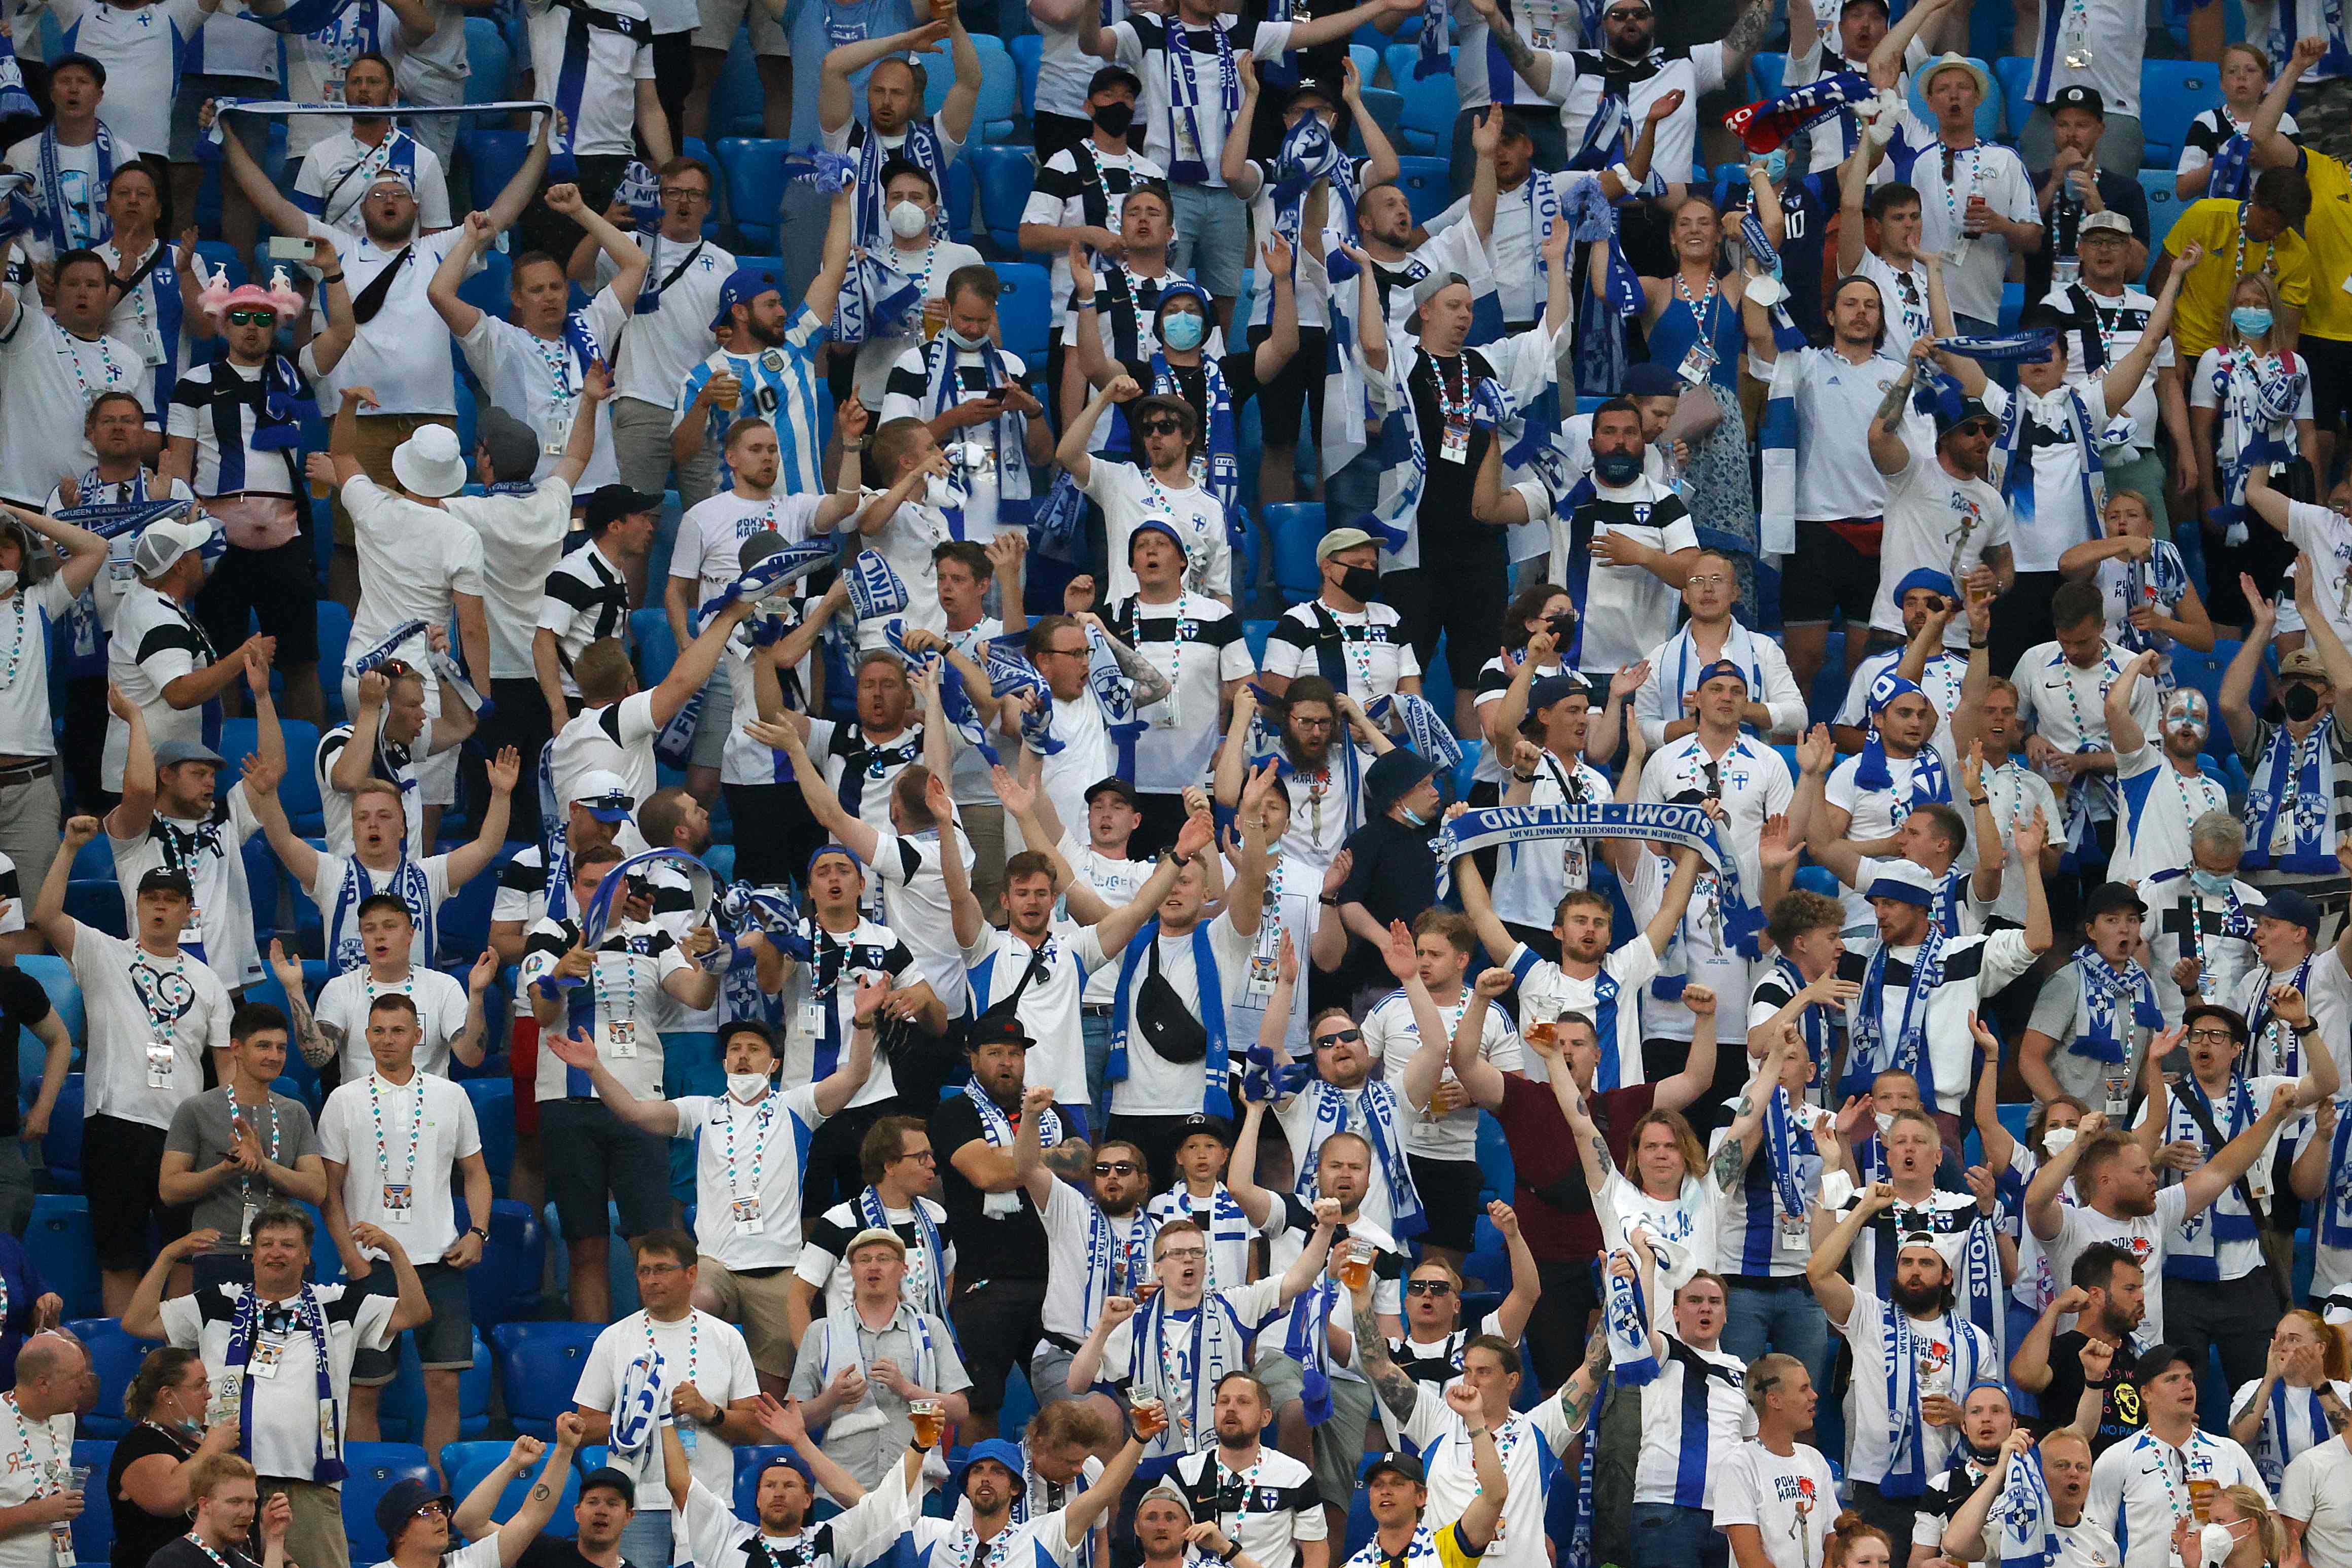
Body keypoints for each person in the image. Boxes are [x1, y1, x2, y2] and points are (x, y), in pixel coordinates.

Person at [209, 103, 552, 609]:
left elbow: (506, 210)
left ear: (417, 207)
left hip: (429, 420)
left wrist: (543, 142)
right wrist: (227, 138)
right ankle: (355, 643)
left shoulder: (442, 249)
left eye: (399, 194)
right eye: (378, 194)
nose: (389, 200)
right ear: (361, 207)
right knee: (352, 544)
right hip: (356, 422)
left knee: (435, 537)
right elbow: (272, 210)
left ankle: (431, 637)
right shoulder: (335, 247)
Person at [547, 1012, 877, 1398]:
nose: (742, 1056)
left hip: (780, 1269)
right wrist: (594, 1068)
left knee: (769, 1394)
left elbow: (855, 1075)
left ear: (775, 1064)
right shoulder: (702, 1110)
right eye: (735, 1049)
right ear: (723, 1063)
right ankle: (687, 1402)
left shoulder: (797, 1106)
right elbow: (635, 1112)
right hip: (715, 1265)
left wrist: (865, 1023)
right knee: (693, 1298)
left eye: (754, 1049)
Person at [127, 1202, 424, 1568]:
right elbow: (138, 1321)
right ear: (252, 1253)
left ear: (307, 1255)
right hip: (229, 1483)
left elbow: (415, 1313)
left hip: (310, 1484)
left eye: (288, 1245)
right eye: (267, 1244)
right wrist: (170, 1256)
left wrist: (395, 1252)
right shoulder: (221, 1301)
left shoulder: (338, 1303)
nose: (276, 1253)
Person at [35, 811, 235, 1317]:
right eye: (151, 899)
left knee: (187, 1251)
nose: (160, 909)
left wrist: (230, 1128)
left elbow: (226, 1068)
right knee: (120, 1255)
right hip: (116, 1124)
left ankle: (177, 1363)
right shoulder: (105, 955)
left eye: (171, 901)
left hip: (184, 1134)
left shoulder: (208, 982)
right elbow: (47, 915)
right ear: (137, 904)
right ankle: (124, 1363)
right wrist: (69, 849)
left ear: (190, 911)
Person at [519, 846, 724, 1318]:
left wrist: (712, 964)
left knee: (652, 1244)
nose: (601, 893)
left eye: (612, 884)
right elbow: (543, 1012)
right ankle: (598, 1357)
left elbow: (695, 996)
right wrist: (559, 977)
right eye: (591, 884)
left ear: (627, 889)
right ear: (575, 889)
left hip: (640, 1105)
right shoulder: (551, 935)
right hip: (568, 1103)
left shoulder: (651, 937)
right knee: (585, 1244)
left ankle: (659, 1350)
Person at [167, 255, 352, 735]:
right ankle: (225, 764)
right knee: (222, 658)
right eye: (241, 317)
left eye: (263, 318)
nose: (252, 327)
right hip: (217, 544)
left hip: (285, 541)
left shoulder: (295, 371)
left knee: (300, 658)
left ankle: (310, 765)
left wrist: (331, 273)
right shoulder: (194, 384)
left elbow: (344, 333)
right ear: (222, 324)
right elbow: (180, 467)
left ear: (277, 324)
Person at [315, 991, 492, 1465]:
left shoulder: (450, 1095)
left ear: (418, 1036)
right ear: (365, 1036)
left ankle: (436, 1493)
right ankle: (369, 1499)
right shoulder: (343, 1099)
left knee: (444, 1385)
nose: (387, 1040)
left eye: (398, 1031)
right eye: (377, 1031)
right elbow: (327, 1191)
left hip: (440, 1261)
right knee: (364, 1389)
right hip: (370, 1266)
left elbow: (476, 1172)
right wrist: (350, 1258)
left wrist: (478, 1232)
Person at [1353, 1270, 1606, 1568]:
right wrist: (1359, 1295)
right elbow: (1377, 1363)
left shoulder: (1538, 1428)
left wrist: (1614, 1294)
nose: (1472, 1380)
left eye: (1484, 1372)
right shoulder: (1436, 1421)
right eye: (1468, 1370)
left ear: (1512, 1381)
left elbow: (1593, 1368)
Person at [1807, 1182, 2001, 1543]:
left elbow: (1993, 1416)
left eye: (1926, 1263)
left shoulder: (1975, 1339)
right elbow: (1818, 1272)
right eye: (1906, 1263)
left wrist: (1962, 1416)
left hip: (1951, 1483)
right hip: (1877, 1484)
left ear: (1947, 1276)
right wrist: (1863, 1210)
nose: (1914, 1271)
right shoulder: (1868, 1316)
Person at [2028, 1097, 2298, 1345]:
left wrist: (2273, 1118)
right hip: (2085, 1372)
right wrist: (2078, 1145)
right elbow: (2035, 1202)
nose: (2153, 1178)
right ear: (2105, 1180)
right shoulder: (2068, 1226)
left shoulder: (2156, 1213)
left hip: (2147, 1373)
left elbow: (2223, 1170)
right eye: (2140, 1172)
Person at [569, 1228, 764, 1568]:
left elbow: (753, 1428)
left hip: (709, 1501)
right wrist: (635, 1418)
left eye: (661, 1269)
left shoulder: (726, 1338)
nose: (651, 1280)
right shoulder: (614, 1339)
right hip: (637, 1505)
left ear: (691, 1275)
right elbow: (583, 1428)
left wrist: (710, 1412)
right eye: (644, 1271)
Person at [670, 198, 854, 498]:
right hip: (741, 518)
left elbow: (833, 271)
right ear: (740, 313)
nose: (782, 312)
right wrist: (703, 402)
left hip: (806, 511)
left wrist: (841, 201)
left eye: (780, 302)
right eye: (770, 305)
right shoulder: (702, 378)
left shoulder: (797, 341)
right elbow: (680, 454)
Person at [593, 157, 737, 515]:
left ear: (707, 205)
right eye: (672, 192)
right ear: (657, 199)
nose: (682, 202)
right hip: (642, 398)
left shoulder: (725, 263)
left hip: (702, 406)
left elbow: (737, 333)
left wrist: (728, 333)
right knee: (632, 527)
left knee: (715, 524)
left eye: (693, 194)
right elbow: (576, 271)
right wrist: (604, 222)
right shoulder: (628, 247)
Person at [788, 1227, 973, 1488]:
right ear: (852, 1271)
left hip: (916, 1485)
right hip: (839, 1486)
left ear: (902, 1270)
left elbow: (959, 1410)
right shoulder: (821, 1332)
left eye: (884, 1259)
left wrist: (906, 1388)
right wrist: (833, 1398)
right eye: (864, 1260)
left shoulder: (929, 1329)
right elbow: (794, 1418)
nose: (873, 1266)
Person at [2043, 216, 2191, 540]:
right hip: (2076, 450)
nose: (2104, 250)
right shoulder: (2054, 306)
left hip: (2139, 453)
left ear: (2130, 253)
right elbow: (2043, 380)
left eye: (2115, 242)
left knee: (2152, 553)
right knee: (2083, 550)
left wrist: (2186, 451)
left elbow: (2168, 386)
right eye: (2095, 242)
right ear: (2080, 250)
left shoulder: (2152, 308)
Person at [159, 1003, 329, 1285]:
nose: (274, 1056)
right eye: (263, 1046)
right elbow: (169, 1189)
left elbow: (317, 1189)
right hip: (218, 1253)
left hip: (281, 1256)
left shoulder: (295, 1112)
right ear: (236, 1048)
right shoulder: (196, 1109)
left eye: (281, 1048)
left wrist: (264, 1165)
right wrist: (224, 1171)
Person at [660, 1393, 923, 1568]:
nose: (778, 1493)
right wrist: (662, 1417)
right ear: (757, 1498)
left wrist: (920, 1446)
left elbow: (885, 1501)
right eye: (770, 1485)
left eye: (790, 1486)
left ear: (808, 1499)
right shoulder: (728, 1536)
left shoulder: (829, 1539)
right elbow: (680, 1485)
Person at [2188, 273, 2315, 629]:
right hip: (2230, 485)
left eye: (2260, 305)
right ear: (2231, 311)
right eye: (2243, 304)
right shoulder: (2215, 360)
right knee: (2229, 589)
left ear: (2274, 311)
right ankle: (2232, 674)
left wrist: (2312, 504)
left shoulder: (2295, 365)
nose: (2252, 311)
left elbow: (2306, 433)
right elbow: (2201, 431)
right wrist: (2208, 494)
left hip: (2281, 486)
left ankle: (2282, 679)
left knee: (2279, 585)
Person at [0, 500, 108, 904]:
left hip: (31, 787)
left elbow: (95, 549)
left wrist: (15, 513)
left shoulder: (40, 602)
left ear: (23, 556)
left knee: (33, 914)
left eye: (6, 544)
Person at [2086, 1344, 2268, 1568]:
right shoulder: (2117, 1458)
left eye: (2189, 1377)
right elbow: (2095, 1540)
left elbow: (2271, 1528)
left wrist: (2228, 1503)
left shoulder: (2229, 1452)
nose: (2187, 1385)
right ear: (2146, 1394)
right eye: (2172, 1379)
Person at [1261, 528, 1423, 709]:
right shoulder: (1299, 621)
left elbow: (1413, 698)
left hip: (1384, 736)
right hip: (1324, 736)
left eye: (1373, 565)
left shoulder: (1390, 618)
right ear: (1328, 568)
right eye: (1359, 564)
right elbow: (1272, 702)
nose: (1368, 570)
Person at [110, 1352, 245, 1568]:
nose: (209, 1395)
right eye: (199, 1386)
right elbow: (169, 1498)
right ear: (168, 1395)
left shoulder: (206, 1439)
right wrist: (212, 1448)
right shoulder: (140, 1444)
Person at [2009, 1245, 2148, 1454]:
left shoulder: (2139, 1352)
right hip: (2077, 1473)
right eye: (2130, 1289)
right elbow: (2026, 1378)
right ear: (2096, 1295)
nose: (2140, 1297)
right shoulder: (2065, 1348)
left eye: (2140, 1288)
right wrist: (2054, 1309)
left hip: (2138, 1475)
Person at [2023, 87, 2152, 303]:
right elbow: (2016, 243)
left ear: (2100, 130)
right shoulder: (2033, 183)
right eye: (2063, 125)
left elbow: (2137, 265)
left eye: (2082, 125)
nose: (2071, 134)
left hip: (2104, 308)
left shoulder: (2125, 189)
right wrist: (2054, 182)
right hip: (2041, 309)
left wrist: (2100, 210)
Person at [2227, 1308, 2352, 1492]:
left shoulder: (2342, 1391)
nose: (2283, 1346)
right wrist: (2270, 1378)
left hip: (2331, 1499)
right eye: (2279, 1338)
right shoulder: (2253, 1389)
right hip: (2270, 1500)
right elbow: (2240, 1437)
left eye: (2294, 1339)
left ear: (2320, 1348)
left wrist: (2318, 1382)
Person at [1348, 1429, 1508, 1568]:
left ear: (1420, 1496)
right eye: (1378, 1485)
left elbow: (1495, 1496)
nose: (1385, 1491)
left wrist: (1474, 1420)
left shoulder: (1446, 1548)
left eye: (1397, 1484)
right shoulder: (1354, 1565)